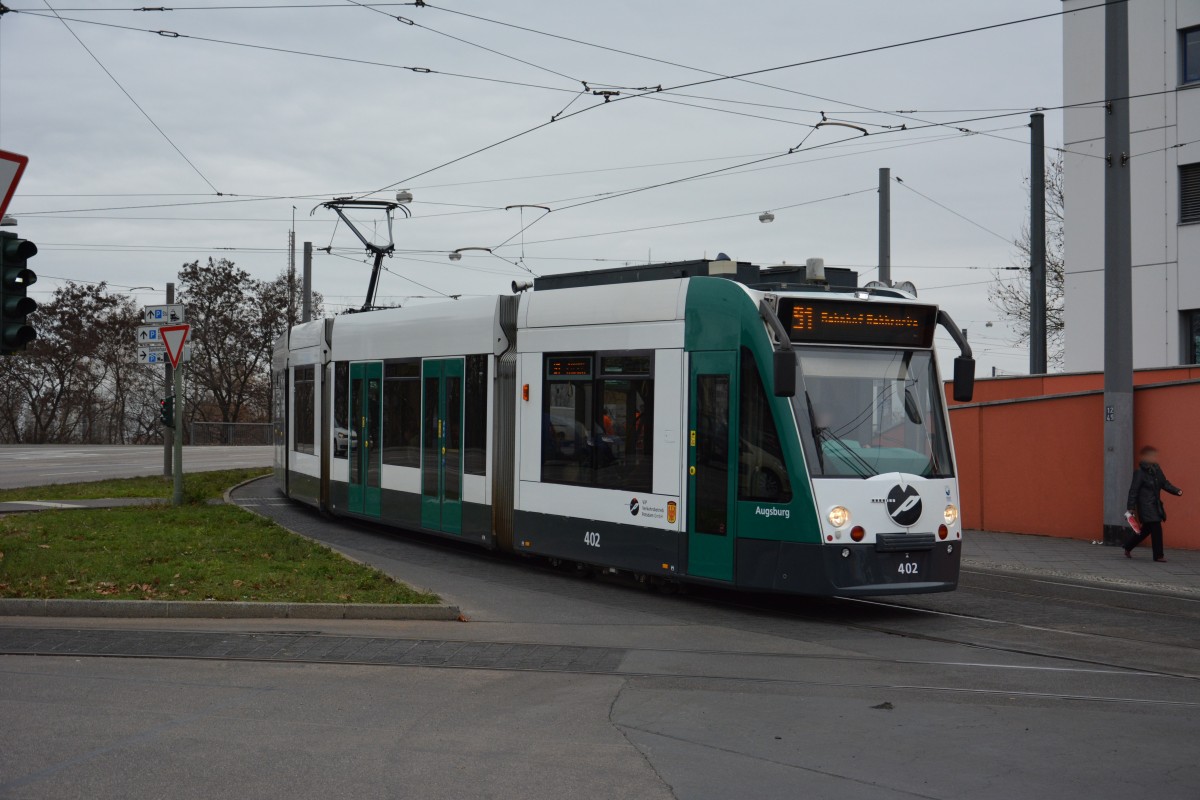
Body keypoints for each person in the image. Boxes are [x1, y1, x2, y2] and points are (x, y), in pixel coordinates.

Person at [1124, 446, 1183, 562]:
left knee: (1146, 530)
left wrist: (1176, 491)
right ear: (1144, 457)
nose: (1154, 457)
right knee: (1156, 527)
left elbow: (1164, 483)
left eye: (1155, 455)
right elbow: (1133, 491)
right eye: (1151, 455)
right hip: (1145, 506)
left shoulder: (1157, 470)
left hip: (1155, 505)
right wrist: (1130, 508)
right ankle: (1158, 555)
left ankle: (1128, 546)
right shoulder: (1139, 473)